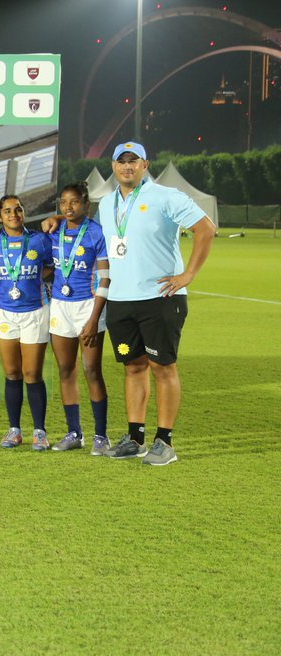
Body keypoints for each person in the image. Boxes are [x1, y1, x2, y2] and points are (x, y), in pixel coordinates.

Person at [98, 142, 214, 465]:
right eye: (121, 161)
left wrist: (189, 273)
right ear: (113, 166)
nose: (127, 167)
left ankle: (165, 441)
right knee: (132, 367)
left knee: (163, 368)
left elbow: (206, 228)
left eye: (133, 161)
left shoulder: (166, 197)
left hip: (160, 298)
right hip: (120, 300)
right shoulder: (106, 204)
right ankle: (135, 439)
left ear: (145, 165)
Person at [46, 183, 113, 455]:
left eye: (74, 202)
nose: (68, 207)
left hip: (88, 306)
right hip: (60, 306)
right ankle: (74, 433)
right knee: (65, 371)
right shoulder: (54, 232)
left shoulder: (96, 233)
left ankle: (101, 436)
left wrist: (94, 319)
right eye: (63, 202)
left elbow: (105, 278)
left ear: (85, 204)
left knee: (91, 371)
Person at [0, 195, 54, 451]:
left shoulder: (38, 240)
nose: (14, 214)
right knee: (12, 373)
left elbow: (48, 267)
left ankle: (39, 431)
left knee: (32, 373)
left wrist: (28, 275)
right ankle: (14, 430)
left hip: (34, 311)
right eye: (7, 211)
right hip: (4, 312)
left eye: (18, 209)